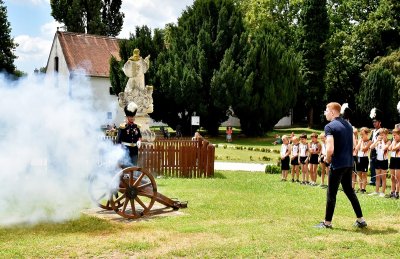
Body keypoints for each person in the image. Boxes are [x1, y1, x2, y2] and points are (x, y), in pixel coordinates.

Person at [314, 102, 366, 229]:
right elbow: (354, 145)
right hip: (348, 164)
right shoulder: (348, 125)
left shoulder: (329, 127)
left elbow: (330, 148)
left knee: (331, 193)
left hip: (337, 164)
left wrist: (326, 158)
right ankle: (361, 220)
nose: (325, 113)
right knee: (349, 191)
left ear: (332, 112)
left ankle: (327, 223)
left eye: (326, 110)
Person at [116, 102, 142, 167]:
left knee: (134, 165)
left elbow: (139, 136)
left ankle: (132, 176)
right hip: (125, 149)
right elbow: (118, 140)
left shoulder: (137, 127)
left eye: (133, 116)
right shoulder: (123, 127)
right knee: (126, 166)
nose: (132, 118)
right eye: (130, 117)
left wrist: (139, 141)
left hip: (134, 150)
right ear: (127, 117)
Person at [369, 128, 390, 197]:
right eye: (380, 134)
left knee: (383, 177)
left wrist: (383, 141)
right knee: (377, 177)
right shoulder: (378, 141)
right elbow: (371, 147)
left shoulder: (388, 142)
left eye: (382, 135)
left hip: (384, 161)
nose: (381, 136)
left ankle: (383, 192)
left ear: (386, 135)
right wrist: (377, 141)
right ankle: (376, 191)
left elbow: (384, 148)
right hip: (377, 160)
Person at [355, 127, 372, 193]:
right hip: (359, 158)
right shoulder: (360, 140)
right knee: (359, 173)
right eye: (360, 134)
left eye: (363, 134)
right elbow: (356, 148)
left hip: (364, 158)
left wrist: (361, 142)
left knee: (364, 174)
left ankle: (363, 188)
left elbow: (363, 149)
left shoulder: (369, 141)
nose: (361, 136)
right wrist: (360, 142)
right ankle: (360, 187)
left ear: (367, 134)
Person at [369, 108, 382, 186]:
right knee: (372, 165)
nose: (374, 123)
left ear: (379, 122)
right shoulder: (373, 131)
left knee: (378, 166)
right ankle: (373, 179)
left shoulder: (381, 130)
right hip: (373, 150)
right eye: (373, 122)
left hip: (378, 150)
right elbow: (371, 140)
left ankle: (379, 181)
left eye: (375, 122)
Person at [388, 128, 400, 199]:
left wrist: (394, 143)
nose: (394, 137)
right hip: (393, 159)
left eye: (395, 135)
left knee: (397, 178)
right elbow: (389, 148)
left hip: (398, 160)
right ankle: (392, 192)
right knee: (392, 177)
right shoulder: (394, 141)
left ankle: (397, 192)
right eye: (393, 136)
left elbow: (393, 148)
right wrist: (393, 142)